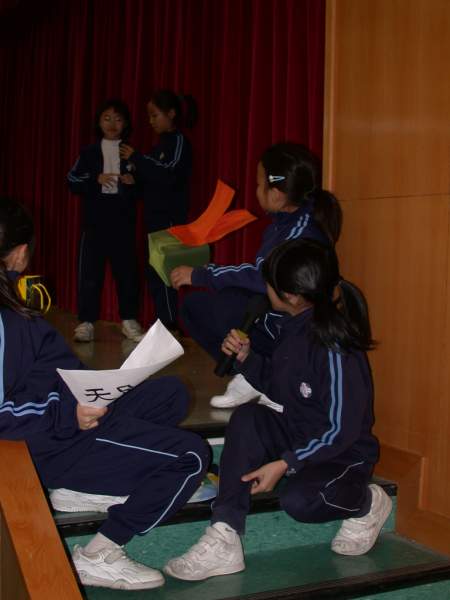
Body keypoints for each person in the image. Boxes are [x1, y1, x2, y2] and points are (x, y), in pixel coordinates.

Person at [0, 198, 210, 590]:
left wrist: (102, 386)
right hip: (44, 443)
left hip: (63, 420)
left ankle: (83, 486)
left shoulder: (14, 304)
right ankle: (100, 552)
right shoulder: (4, 319)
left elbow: (50, 370)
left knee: (172, 394)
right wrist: (68, 413)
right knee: (192, 456)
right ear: (21, 253)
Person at [164, 238, 391, 581]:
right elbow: (281, 388)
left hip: (342, 454)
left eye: (268, 283)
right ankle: (225, 533)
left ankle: (367, 503)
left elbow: (339, 430)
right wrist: (247, 359)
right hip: (299, 435)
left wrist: (287, 462)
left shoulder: (334, 347)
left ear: (291, 296)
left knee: (300, 501)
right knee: (248, 418)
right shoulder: (293, 327)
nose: (264, 289)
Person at [170, 142, 342, 409]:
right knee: (197, 307)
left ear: (277, 194)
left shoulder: (300, 233)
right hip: (275, 317)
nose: (256, 190)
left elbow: (264, 276)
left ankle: (272, 380)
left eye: (260, 184)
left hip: (293, 331)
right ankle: (252, 374)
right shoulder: (284, 223)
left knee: (222, 305)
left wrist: (202, 275)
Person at [120, 90, 198, 330]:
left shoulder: (179, 142)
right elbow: (150, 182)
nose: (151, 121)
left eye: (155, 115)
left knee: (165, 271)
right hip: (153, 219)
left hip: (170, 219)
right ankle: (164, 322)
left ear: (171, 114)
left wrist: (138, 158)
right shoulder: (158, 147)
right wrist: (133, 182)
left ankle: (169, 324)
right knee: (155, 271)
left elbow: (169, 173)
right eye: (149, 116)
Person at [67, 99, 144, 343]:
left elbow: (145, 187)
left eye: (118, 119)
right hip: (95, 221)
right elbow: (72, 180)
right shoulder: (88, 153)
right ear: (99, 122)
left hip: (123, 221)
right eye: (107, 118)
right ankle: (86, 322)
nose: (112, 124)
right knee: (90, 273)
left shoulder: (131, 152)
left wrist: (134, 183)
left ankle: (129, 321)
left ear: (126, 124)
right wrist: (95, 179)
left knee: (127, 273)